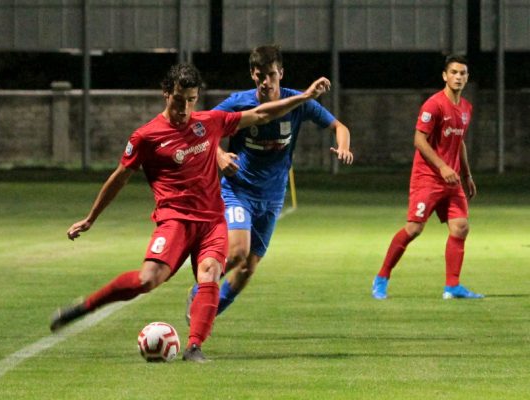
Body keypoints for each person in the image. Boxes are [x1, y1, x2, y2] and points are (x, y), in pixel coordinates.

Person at [49, 63, 332, 363]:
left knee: (210, 274)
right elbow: (120, 176)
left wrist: (305, 96)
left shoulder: (209, 122)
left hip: (212, 222)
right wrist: (91, 218)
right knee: (147, 280)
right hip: (175, 222)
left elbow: (262, 114)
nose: (185, 107)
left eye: (191, 99)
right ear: (166, 93)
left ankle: (194, 346)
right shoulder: (146, 137)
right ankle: (84, 307)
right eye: (179, 99)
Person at [186, 45, 353, 323]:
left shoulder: (298, 102)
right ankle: (200, 291)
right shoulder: (239, 103)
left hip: (273, 198)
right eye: (261, 75)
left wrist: (344, 147)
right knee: (238, 252)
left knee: (247, 270)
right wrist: (218, 156)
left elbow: (340, 127)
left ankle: (206, 315)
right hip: (238, 191)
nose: (266, 81)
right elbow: (201, 129)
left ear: (281, 74)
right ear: (253, 74)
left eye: (272, 75)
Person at [372, 54, 483, 300]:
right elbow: (418, 140)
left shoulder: (466, 108)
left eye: (462, 73)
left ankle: (452, 287)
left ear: (467, 77)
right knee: (414, 228)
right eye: (453, 72)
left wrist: (467, 175)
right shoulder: (434, 105)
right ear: (445, 76)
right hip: (428, 178)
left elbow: (459, 142)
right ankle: (381, 277)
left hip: (452, 180)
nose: (458, 77)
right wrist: (443, 167)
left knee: (461, 227)